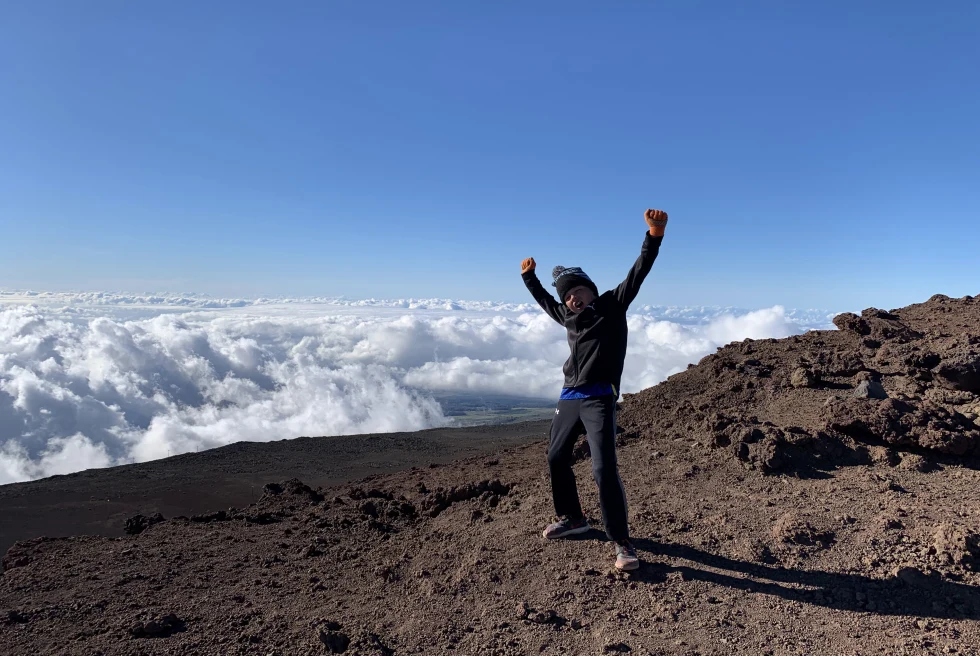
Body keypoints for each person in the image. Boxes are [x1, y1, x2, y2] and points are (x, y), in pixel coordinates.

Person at [520, 208, 668, 571]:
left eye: (578, 292)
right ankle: (574, 518)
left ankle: (621, 541)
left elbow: (639, 273)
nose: (573, 299)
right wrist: (529, 278)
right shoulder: (566, 315)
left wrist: (654, 235)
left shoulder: (612, 306)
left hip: (600, 396)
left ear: (590, 290)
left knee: (604, 468)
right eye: (568, 296)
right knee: (556, 457)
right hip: (570, 396)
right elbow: (544, 301)